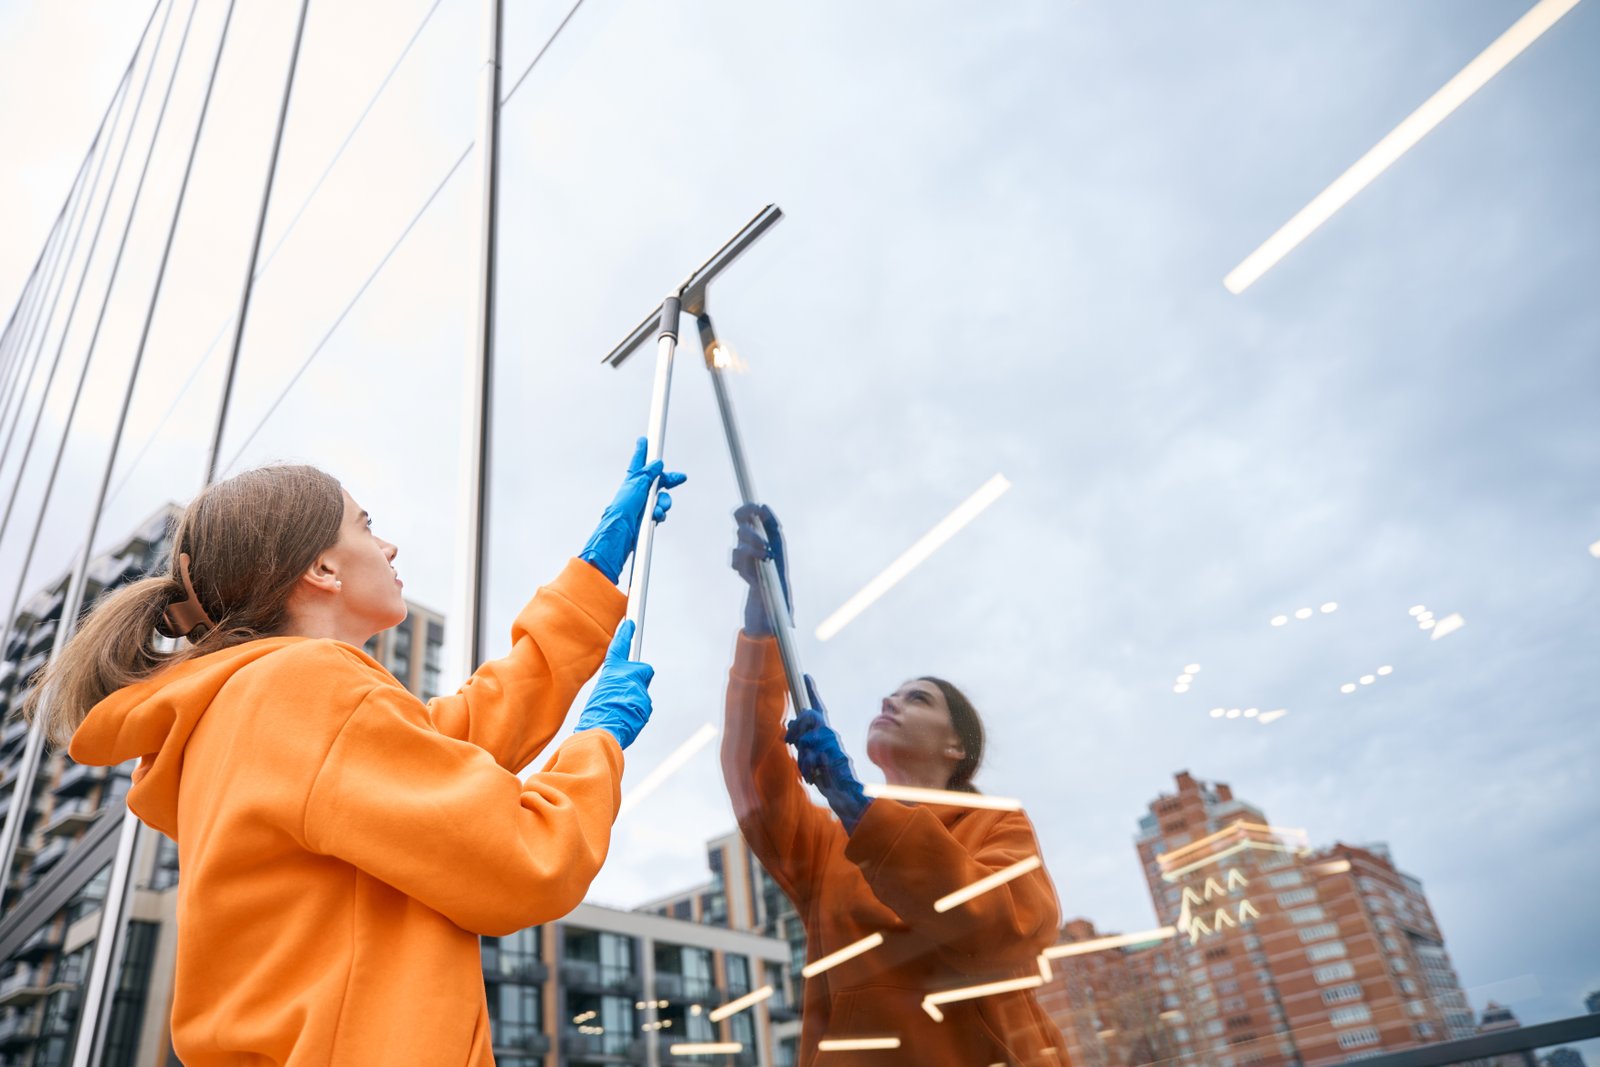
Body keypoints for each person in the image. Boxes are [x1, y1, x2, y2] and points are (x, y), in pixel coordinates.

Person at [25, 440, 685, 1066]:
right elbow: (527, 858)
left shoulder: (245, 707)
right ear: (322, 569)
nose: (388, 546)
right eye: (366, 527)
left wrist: (594, 574)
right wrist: (598, 739)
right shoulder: (304, 688)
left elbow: (451, 741)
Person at [723, 504, 1070, 1066]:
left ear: (956, 748)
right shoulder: (829, 846)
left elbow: (1003, 929)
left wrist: (858, 808)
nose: (891, 700)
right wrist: (764, 629)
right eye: (893, 694)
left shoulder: (996, 826)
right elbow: (753, 771)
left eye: (918, 698)